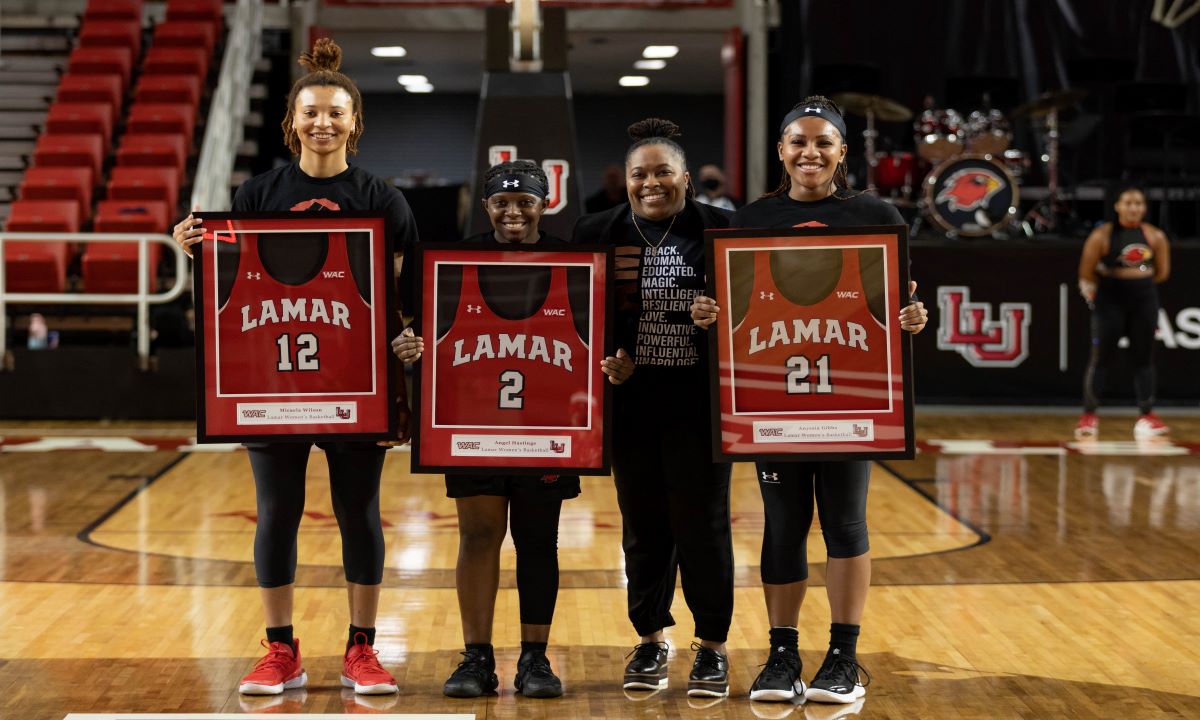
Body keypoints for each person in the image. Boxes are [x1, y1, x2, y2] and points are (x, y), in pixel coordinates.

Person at [173, 38, 418, 696]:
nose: (323, 122)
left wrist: (410, 339)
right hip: (274, 384)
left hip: (355, 385)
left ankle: (362, 649)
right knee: (277, 511)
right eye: (311, 112)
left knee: (358, 511)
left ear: (354, 124)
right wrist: (190, 245)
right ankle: (281, 650)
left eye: (336, 112)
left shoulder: (383, 200)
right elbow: (229, 288)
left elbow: (416, 289)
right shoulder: (255, 195)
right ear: (291, 123)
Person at [690, 96, 928, 706]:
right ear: (780, 151)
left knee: (846, 524)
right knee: (783, 525)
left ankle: (844, 657)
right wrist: (707, 314)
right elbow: (729, 312)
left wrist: (909, 317)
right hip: (775, 412)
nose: (810, 152)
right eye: (798, 141)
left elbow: (894, 307)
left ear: (842, 152)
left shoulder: (877, 216)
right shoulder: (748, 222)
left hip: (850, 404)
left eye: (823, 142)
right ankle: (782, 653)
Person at [392, 160, 634, 700]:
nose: (514, 211)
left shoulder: (574, 266)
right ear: (486, 207)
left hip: (545, 430)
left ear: (545, 204)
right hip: (471, 426)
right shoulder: (452, 264)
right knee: (478, 536)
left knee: (537, 542)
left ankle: (535, 658)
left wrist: (616, 364)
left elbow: (603, 342)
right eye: (502, 202)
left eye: (526, 201)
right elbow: (422, 334)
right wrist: (411, 348)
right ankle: (476, 656)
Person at [572, 118, 736, 699]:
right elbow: (573, 322)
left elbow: (755, 310)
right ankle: (650, 638)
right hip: (631, 408)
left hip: (702, 407)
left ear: (685, 178)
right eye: (640, 174)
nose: (650, 183)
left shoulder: (723, 229)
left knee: (703, 529)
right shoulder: (595, 231)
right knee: (643, 529)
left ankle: (713, 646)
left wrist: (722, 323)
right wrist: (603, 361)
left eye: (663, 172)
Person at [1075, 185, 1171, 439]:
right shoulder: (1102, 235)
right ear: (1117, 206)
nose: (1133, 208)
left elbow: (1162, 272)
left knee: (1144, 358)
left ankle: (1146, 415)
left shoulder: (1155, 236)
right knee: (1101, 358)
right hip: (1111, 300)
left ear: (1145, 208)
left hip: (1143, 299)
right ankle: (1089, 416)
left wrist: (1138, 282)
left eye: (1138, 203)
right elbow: (1085, 271)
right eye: (1128, 203)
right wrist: (1099, 290)